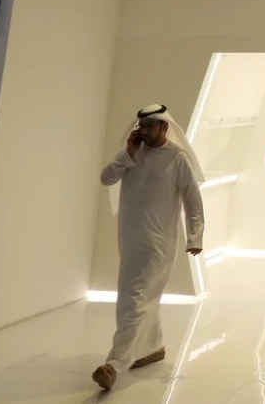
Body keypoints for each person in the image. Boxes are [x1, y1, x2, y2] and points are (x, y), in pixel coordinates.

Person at [93, 104, 205, 392]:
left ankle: (114, 364)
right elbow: (106, 178)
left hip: (158, 244)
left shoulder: (177, 158)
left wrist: (195, 237)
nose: (144, 132)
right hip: (130, 241)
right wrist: (127, 154)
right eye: (141, 127)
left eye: (150, 127)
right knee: (141, 298)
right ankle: (151, 348)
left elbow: (193, 201)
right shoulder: (132, 155)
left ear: (164, 127)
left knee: (134, 299)